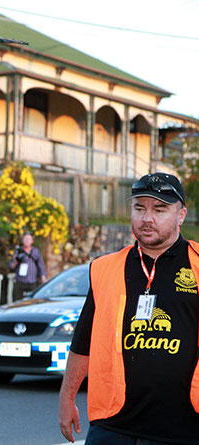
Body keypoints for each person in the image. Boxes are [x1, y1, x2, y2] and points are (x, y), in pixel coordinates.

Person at [58, 172, 199, 444]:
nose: (147, 218)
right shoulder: (104, 268)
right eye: (139, 208)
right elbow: (83, 341)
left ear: (181, 215)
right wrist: (66, 398)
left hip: (186, 429)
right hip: (113, 427)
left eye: (159, 209)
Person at [8, 232, 47, 301]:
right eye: (25, 239)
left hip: (32, 281)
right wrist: (16, 260)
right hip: (20, 281)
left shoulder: (35, 251)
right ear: (22, 240)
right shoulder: (18, 251)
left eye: (29, 239)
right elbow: (11, 267)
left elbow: (40, 264)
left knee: (32, 301)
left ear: (32, 241)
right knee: (17, 301)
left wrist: (43, 277)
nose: (27, 241)